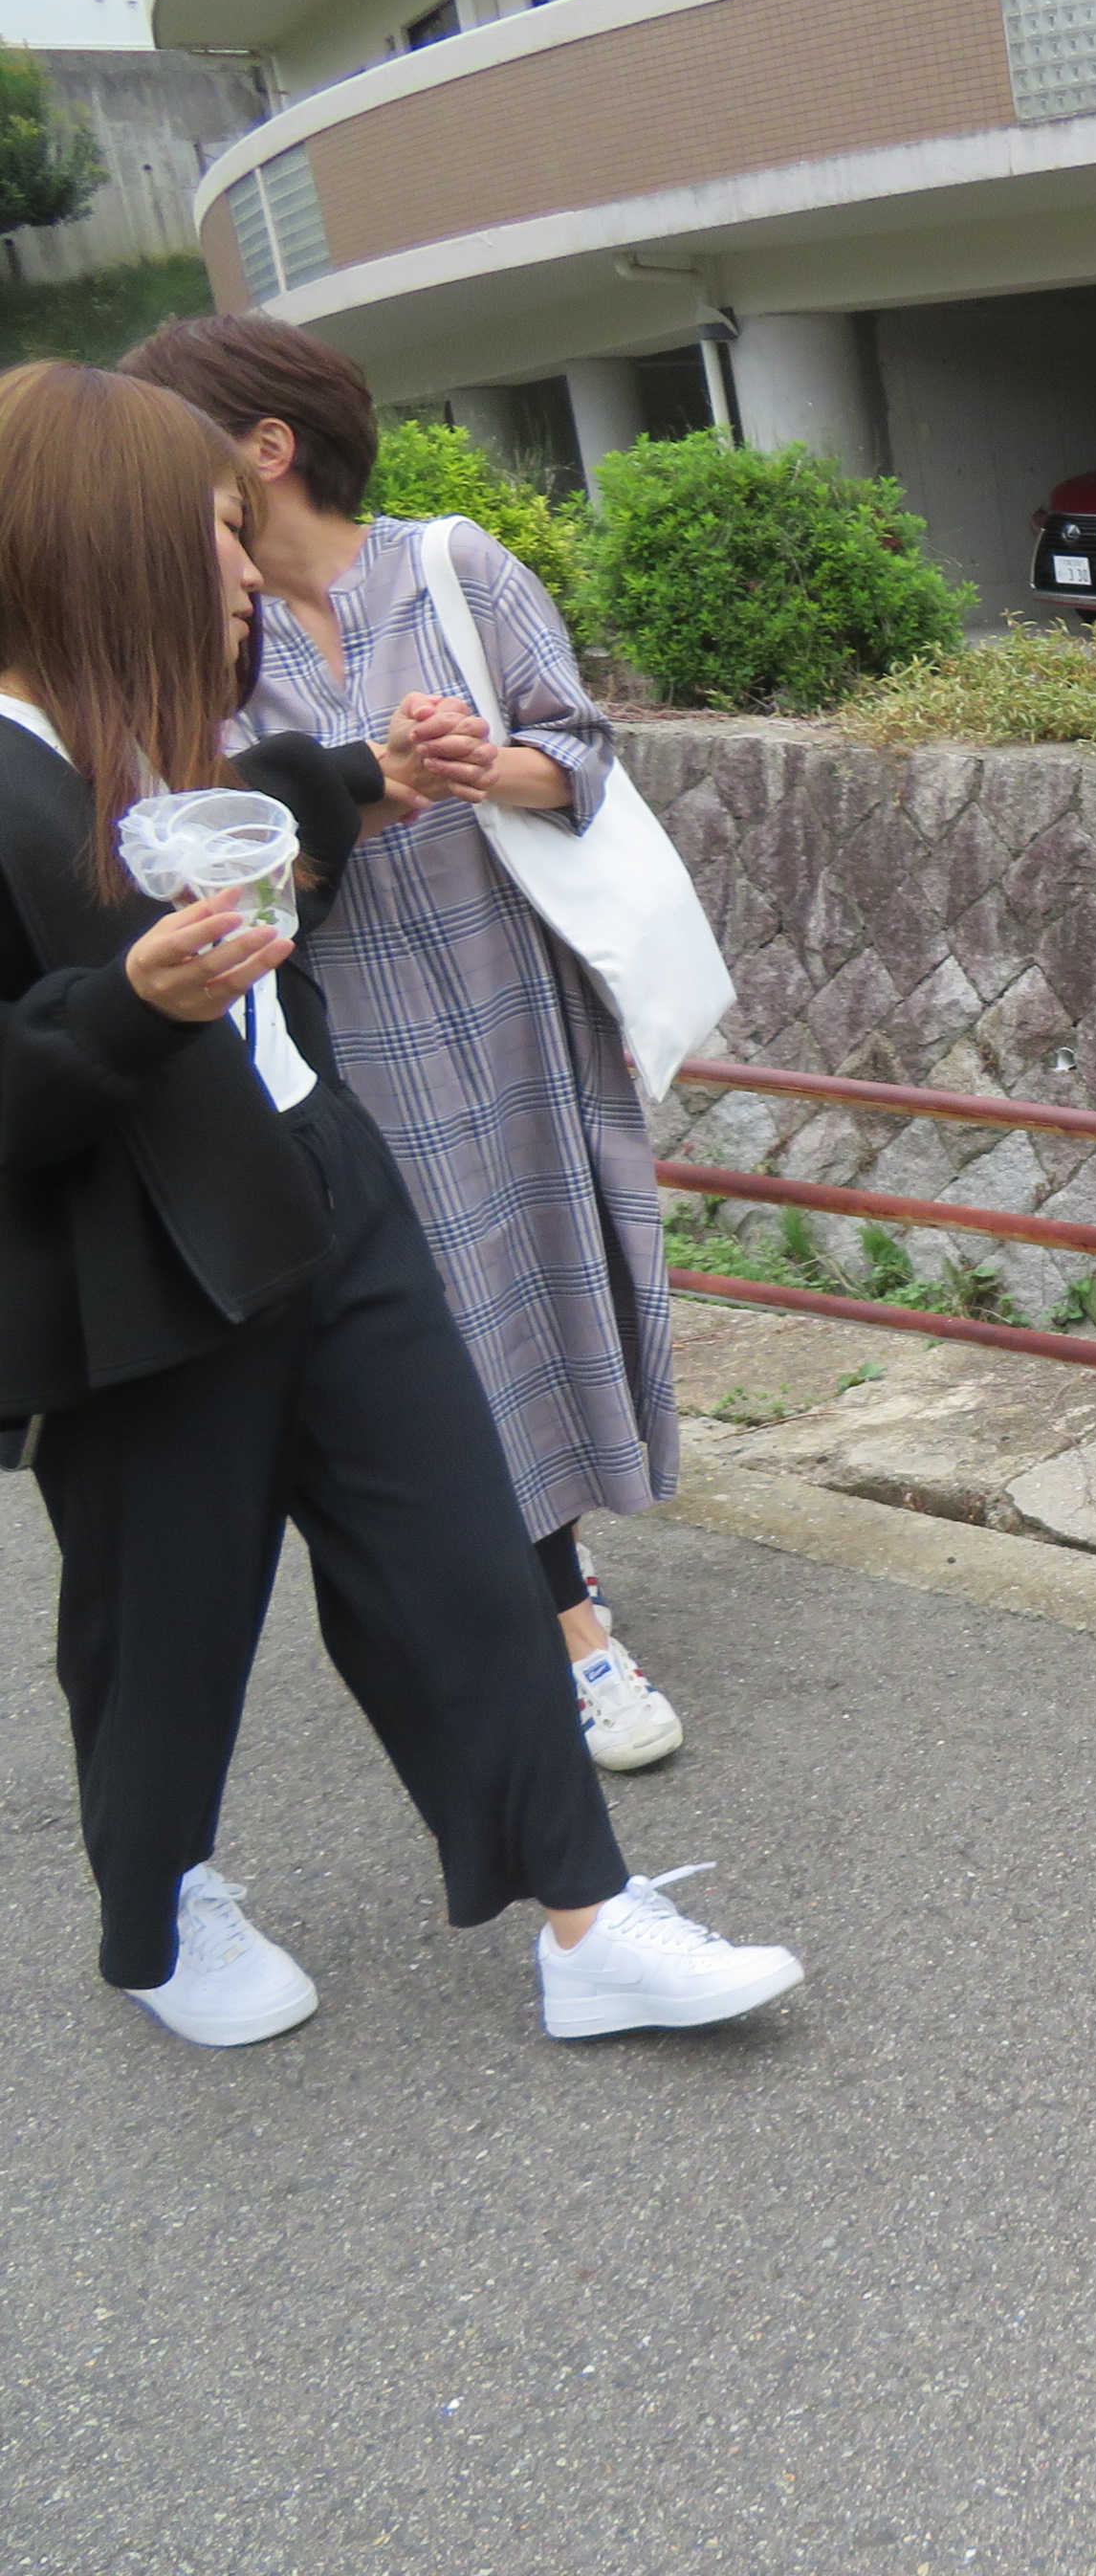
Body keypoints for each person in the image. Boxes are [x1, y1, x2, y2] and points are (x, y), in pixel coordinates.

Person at [0, 359, 802, 2047]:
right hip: (146, 1277)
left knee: (457, 1554)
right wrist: (126, 1011)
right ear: (101, 546)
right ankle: (159, 1909)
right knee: (165, 1625)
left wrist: (369, 771)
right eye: (214, 537)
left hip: (324, 1181)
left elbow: (275, 810)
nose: (246, 570)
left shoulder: (152, 732)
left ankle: (588, 1920)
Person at [121, 316, 685, 1776]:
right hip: (349, 1028)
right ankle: (567, 1626)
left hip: (519, 996)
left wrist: (478, 764)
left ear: (265, 447)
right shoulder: (190, 619)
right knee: (449, 1311)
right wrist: (342, 794)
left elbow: (578, 749)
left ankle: (549, 1565)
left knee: (547, 1281)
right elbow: (179, 832)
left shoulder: (452, 565)